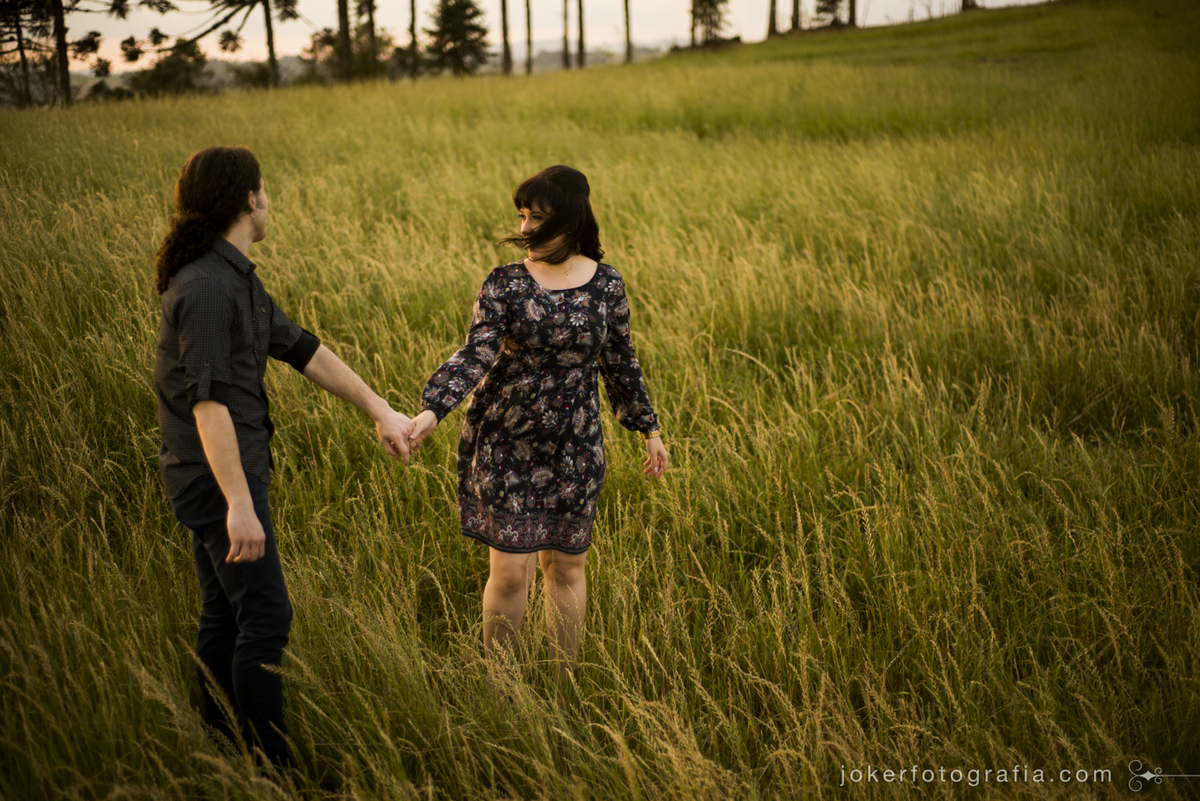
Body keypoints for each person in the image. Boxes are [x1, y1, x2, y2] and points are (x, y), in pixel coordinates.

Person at [153, 146, 413, 768]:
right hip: (220, 479)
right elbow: (207, 403)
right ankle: (275, 773)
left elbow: (303, 350)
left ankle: (217, 748)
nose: (270, 199)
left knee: (225, 612)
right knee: (267, 616)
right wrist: (239, 504)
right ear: (249, 198)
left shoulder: (233, 274)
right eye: (264, 188)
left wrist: (381, 410)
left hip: (219, 476)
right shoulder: (209, 287)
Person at [407, 165, 668, 677]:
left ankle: (559, 684)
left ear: (570, 220)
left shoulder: (607, 285)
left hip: (576, 444)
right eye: (522, 216)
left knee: (566, 566)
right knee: (508, 572)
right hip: (506, 441)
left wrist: (649, 431)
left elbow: (620, 361)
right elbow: (475, 354)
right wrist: (432, 409)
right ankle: (502, 690)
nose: (525, 227)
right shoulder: (505, 282)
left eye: (538, 217)